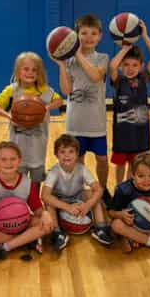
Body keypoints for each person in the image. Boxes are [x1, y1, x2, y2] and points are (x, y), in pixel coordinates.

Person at [51, 14, 112, 205]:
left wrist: (76, 54)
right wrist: (62, 64)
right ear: (76, 35)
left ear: (100, 36)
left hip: (96, 123)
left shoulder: (103, 58)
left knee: (102, 159)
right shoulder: (69, 62)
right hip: (75, 122)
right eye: (84, 33)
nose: (88, 37)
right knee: (78, 161)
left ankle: (102, 189)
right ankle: (79, 191)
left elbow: (95, 76)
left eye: (93, 33)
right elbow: (66, 90)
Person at [0, 141, 53, 266]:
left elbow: (37, 209)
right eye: (3, 159)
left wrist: (45, 214)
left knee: (47, 225)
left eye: (13, 159)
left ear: (19, 160)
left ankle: (3, 247)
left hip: (22, 222)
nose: (9, 163)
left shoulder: (27, 182)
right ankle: (25, 240)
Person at [0, 51, 63, 189]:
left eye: (34, 70)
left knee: (36, 181)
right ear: (18, 71)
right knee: (18, 181)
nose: (30, 73)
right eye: (26, 69)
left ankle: (34, 205)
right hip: (17, 148)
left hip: (38, 147)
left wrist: (46, 107)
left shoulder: (45, 91)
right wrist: (10, 116)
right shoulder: (12, 90)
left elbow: (59, 100)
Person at [108, 20, 150, 184]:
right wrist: (125, 48)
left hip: (140, 135)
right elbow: (112, 66)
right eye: (126, 65)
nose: (130, 68)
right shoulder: (119, 80)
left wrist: (144, 35)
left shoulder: (144, 78)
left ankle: (130, 189)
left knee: (135, 165)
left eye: (134, 65)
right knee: (120, 165)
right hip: (122, 134)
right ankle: (119, 188)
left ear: (141, 66)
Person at [41, 134, 113, 251]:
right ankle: (57, 232)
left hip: (77, 194)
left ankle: (100, 228)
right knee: (49, 203)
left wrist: (87, 205)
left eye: (71, 151)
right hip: (60, 199)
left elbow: (99, 189)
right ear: (56, 155)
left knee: (93, 194)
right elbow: (44, 195)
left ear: (77, 154)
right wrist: (67, 207)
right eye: (62, 152)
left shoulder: (82, 168)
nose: (67, 155)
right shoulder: (54, 172)